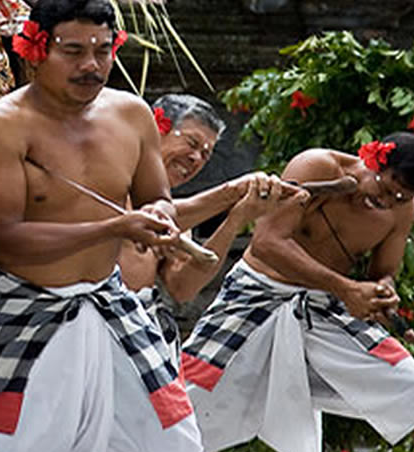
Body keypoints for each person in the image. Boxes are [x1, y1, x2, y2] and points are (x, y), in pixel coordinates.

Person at [0, 0, 202, 452]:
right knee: (15, 447)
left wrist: (159, 213)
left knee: (172, 443)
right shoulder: (0, 126)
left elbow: (157, 197)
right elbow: (4, 239)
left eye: (101, 50)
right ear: (35, 51)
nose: (91, 66)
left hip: (110, 301)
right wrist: (113, 228)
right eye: (72, 51)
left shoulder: (131, 114)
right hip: (22, 308)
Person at [181, 133, 414, 452]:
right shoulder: (317, 166)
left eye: (401, 198)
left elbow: (384, 271)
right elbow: (267, 243)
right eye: (386, 188)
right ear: (374, 160)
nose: (387, 202)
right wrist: (345, 288)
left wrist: (384, 289)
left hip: (325, 309)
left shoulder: (400, 209)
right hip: (255, 295)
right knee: (180, 404)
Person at [119, 95, 301, 352]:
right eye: (192, 143)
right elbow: (140, 218)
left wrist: (236, 218)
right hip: (95, 316)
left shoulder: (177, 212)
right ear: (156, 130)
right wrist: (230, 192)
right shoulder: (113, 182)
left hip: (141, 326)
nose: (196, 158)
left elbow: (183, 287)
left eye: (206, 154)